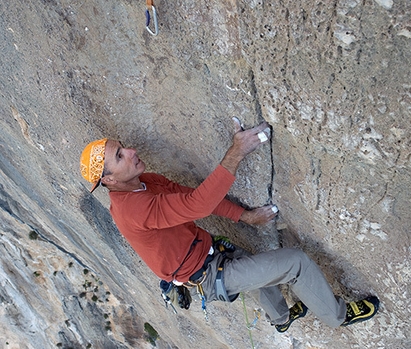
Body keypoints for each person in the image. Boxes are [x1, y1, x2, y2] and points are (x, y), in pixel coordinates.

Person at [79, 120, 379, 332]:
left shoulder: (145, 182)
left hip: (209, 252)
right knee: (295, 263)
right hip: (206, 273)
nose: (131, 151)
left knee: (259, 273)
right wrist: (237, 151)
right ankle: (338, 317)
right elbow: (198, 205)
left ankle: (282, 320)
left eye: (123, 148)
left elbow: (191, 197)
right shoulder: (133, 209)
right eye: (120, 156)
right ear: (108, 180)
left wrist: (244, 217)